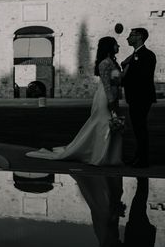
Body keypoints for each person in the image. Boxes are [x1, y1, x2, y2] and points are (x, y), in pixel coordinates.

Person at [26, 36, 123, 165]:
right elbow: (106, 84)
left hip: (112, 95)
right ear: (110, 46)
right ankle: (100, 156)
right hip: (105, 96)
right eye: (116, 44)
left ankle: (108, 155)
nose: (118, 47)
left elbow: (117, 81)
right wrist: (111, 101)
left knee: (109, 124)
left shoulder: (112, 62)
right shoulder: (105, 63)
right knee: (104, 124)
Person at [121, 27, 157, 168]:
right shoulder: (136, 55)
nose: (128, 38)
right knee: (137, 128)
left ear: (140, 37)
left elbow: (142, 77)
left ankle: (143, 159)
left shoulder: (147, 55)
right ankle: (139, 157)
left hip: (141, 97)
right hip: (136, 97)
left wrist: (124, 74)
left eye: (131, 35)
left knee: (140, 128)